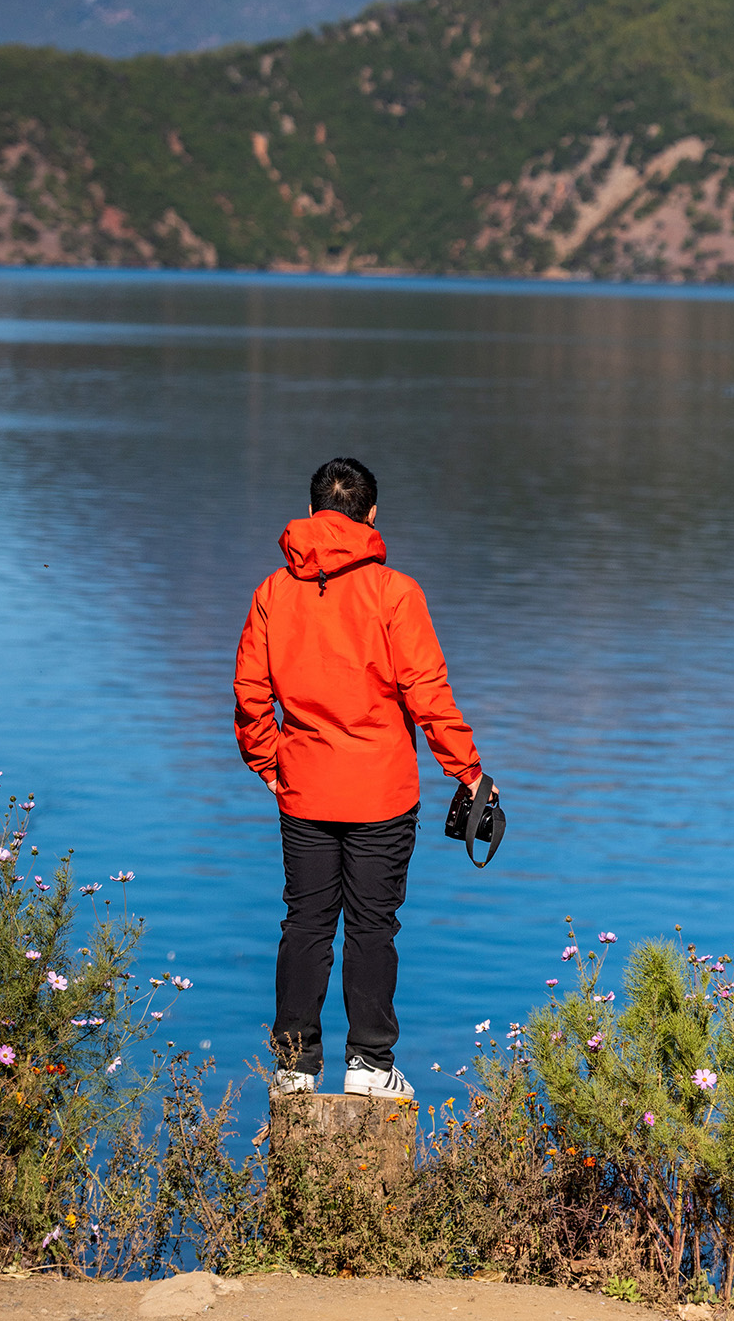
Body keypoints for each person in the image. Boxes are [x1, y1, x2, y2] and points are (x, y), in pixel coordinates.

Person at [233, 455, 485, 1100]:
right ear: (371, 515)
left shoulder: (273, 592)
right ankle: (370, 1066)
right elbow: (428, 693)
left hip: (305, 788)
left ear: (314, 510)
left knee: (305, 923)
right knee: (373, 926)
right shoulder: (395, 592)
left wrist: (268, 764)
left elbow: (251, 694)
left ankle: (294, 1067)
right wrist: (469, 773)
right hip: (382, 792)